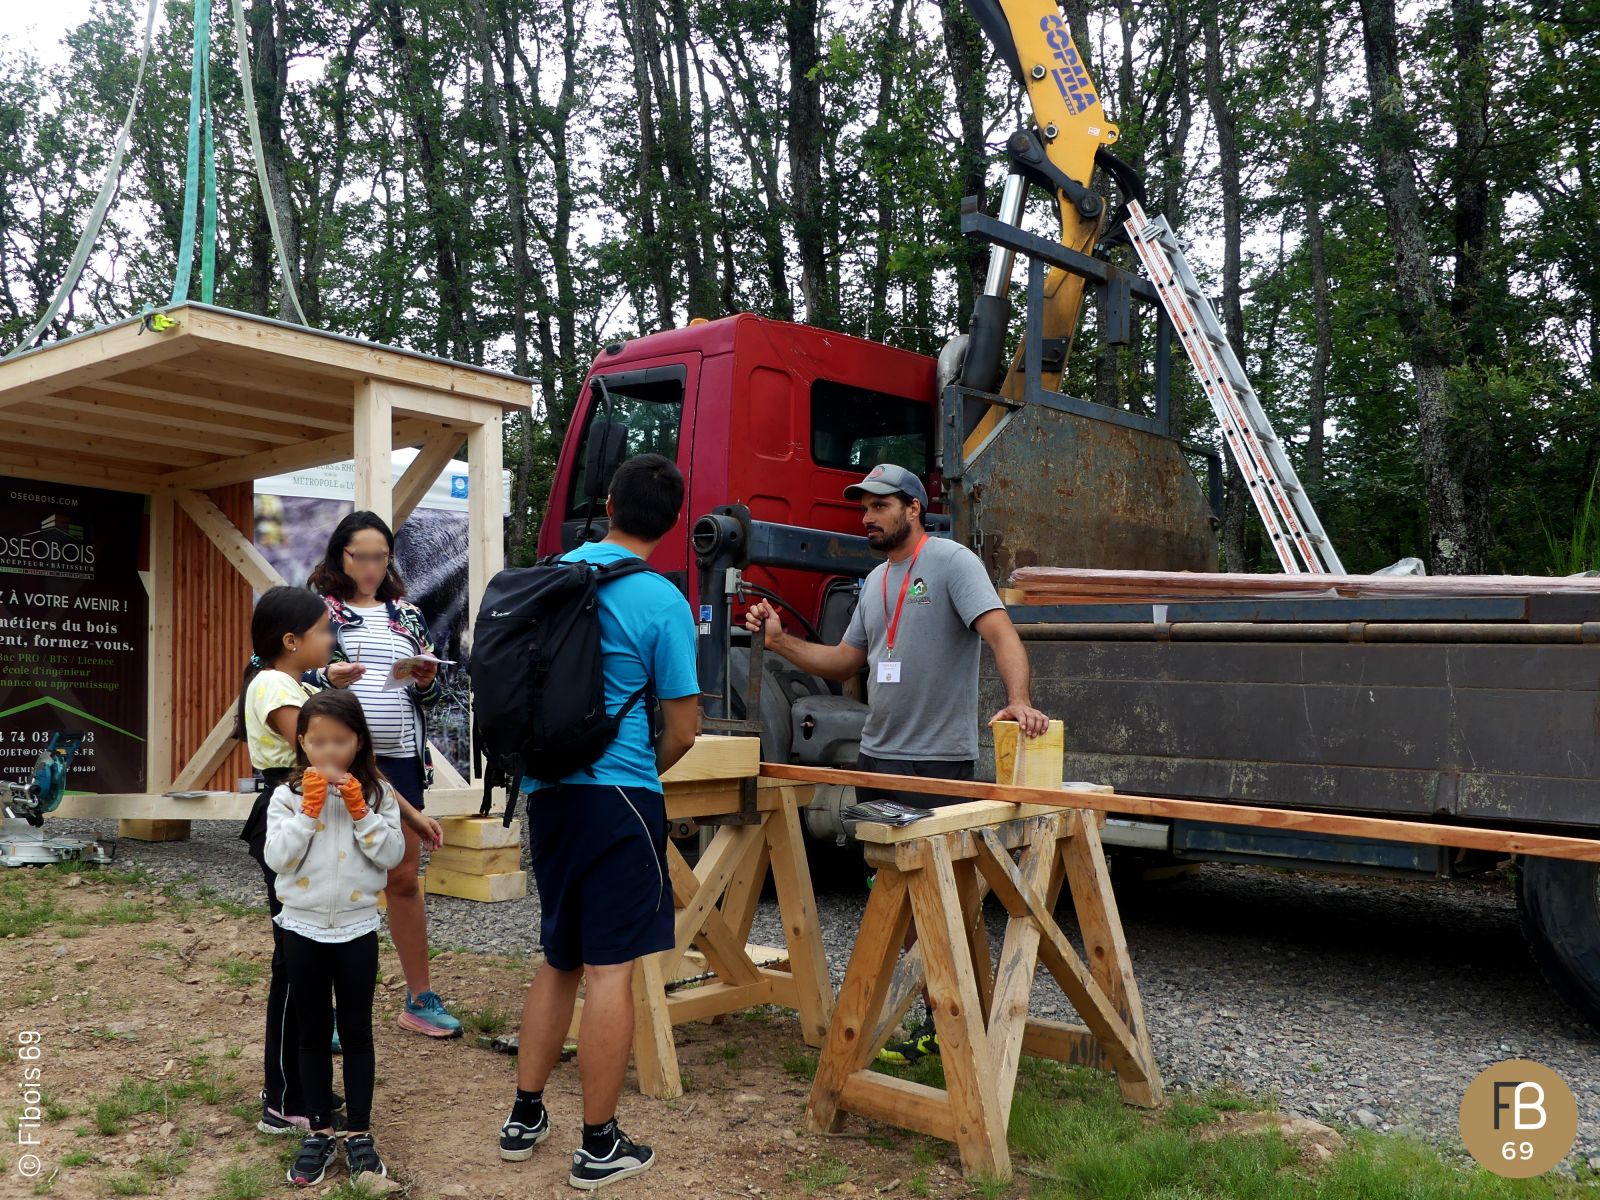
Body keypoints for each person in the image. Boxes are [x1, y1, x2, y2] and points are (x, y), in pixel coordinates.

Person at [746, 462, 1049, 1061]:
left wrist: (1018, 701)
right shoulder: (874, 580)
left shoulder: (953, 563)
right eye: (864, 507)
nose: (868, 516)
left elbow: (1001, 634)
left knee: (945, 902)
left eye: (881, 505)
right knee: (892, 896)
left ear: (913, 507)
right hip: (877, 758)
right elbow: (843, 663)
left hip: (938, 765)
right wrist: (780, 642)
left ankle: (956, 1026)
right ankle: (933, 1020)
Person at [498, 453, 700, 1190]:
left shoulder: (553, 572)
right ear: (673, 523)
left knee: (560, 957)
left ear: (607, 501)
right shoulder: (660, 600)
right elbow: (682, 728)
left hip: (548, 793)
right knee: (611, 968)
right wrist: (640, 768)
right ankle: (599, 1145)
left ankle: (524, 1116)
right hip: (619, 797)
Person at [307, 511, 455, 1039]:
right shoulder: (317, 610)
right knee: (338, 878)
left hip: (399, 759)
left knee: (403, 878)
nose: (371, 568)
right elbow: (274, 664)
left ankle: (419, 998)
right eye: (360, 557)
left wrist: (425, 679)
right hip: (337, 761)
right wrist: (326, 675)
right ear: (338, 556)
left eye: (380, 557)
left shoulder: (408, 614)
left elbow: (433, 700)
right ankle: (331, 1013)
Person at [265, 689, 406, 1186]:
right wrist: (308, 811)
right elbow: (277, 858)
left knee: (357, 1031)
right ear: (302, 743)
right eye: (318, 742)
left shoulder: (377, 795)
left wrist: (361, 813)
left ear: (357, 743)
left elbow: (391, 855)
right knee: (310, 1032)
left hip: (356, 928)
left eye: (340, 742)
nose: (328, 753)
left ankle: (361, 1134)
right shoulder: (285, 797)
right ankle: (319, 1131)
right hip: (301, 928)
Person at [236, 586, 338, 1136]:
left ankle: (296, 1081)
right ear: (291, 640)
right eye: (323, 629)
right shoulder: (275, 684)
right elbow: (320, 745)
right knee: (295, 957)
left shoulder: (286, 681)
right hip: (288, 812)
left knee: (302, 955)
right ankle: (283, 1095)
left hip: (300, 809)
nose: (331, 637)